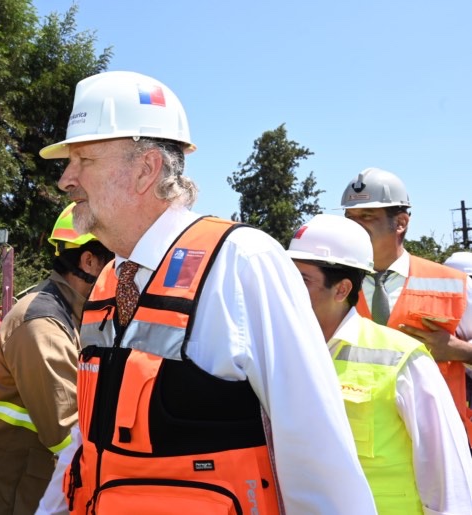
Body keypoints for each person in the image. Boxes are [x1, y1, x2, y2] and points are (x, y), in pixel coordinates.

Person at [36, 71, 376, 514]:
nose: (66, 179)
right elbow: (87, 442)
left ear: (145, 169)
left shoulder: (242, 262)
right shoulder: (108, 281)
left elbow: (317, 455)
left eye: (84, 160)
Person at [287, 213, 472, 512]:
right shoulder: (277, 353)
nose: (288, 290)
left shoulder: (404, 360)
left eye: (303, 280)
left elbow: (449, 480)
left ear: (342, 289)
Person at [0, 203, 112, 515]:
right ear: (90, 261)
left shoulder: (74, 314)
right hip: (6, 501)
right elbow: (69, 437)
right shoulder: (43, 327)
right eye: (118, 260)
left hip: (25, 493)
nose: (126, 273)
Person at [340, 167, 472, 446]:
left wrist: (456, 350)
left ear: (400, 222)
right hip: (359, 447)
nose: (354, 227)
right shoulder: (332, 284)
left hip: (439, 444)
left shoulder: (456, 284)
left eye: (366, 217)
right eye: (350, 217)